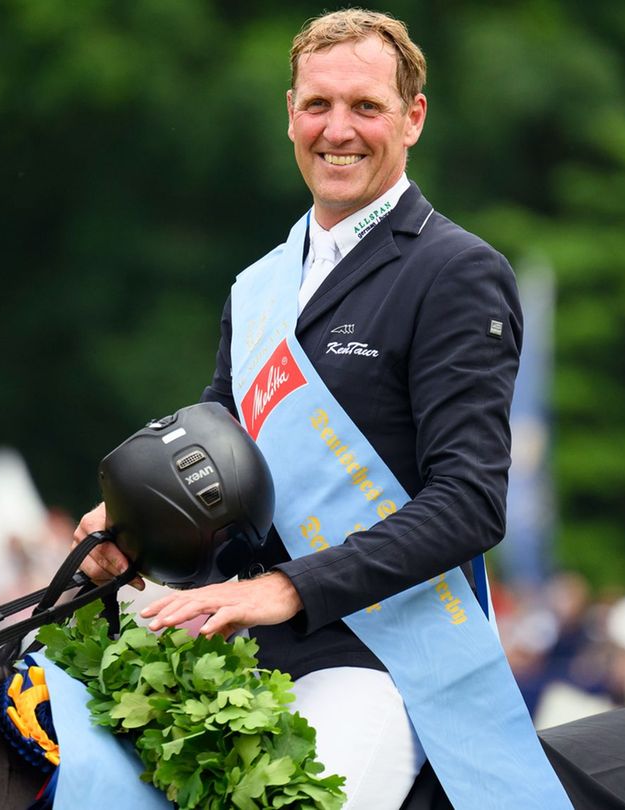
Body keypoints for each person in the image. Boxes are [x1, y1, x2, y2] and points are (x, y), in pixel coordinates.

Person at [76, 9, 564, 808]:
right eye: (318, 105)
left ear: (413, 118)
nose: (338, 130)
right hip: (245, 644)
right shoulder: (258, 286)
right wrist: (130, 534)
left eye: (366, 106)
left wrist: (290, 587)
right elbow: (218, 466)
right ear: (290, 115)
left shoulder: (457, 273)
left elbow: (470, 503)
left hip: (383, 662)